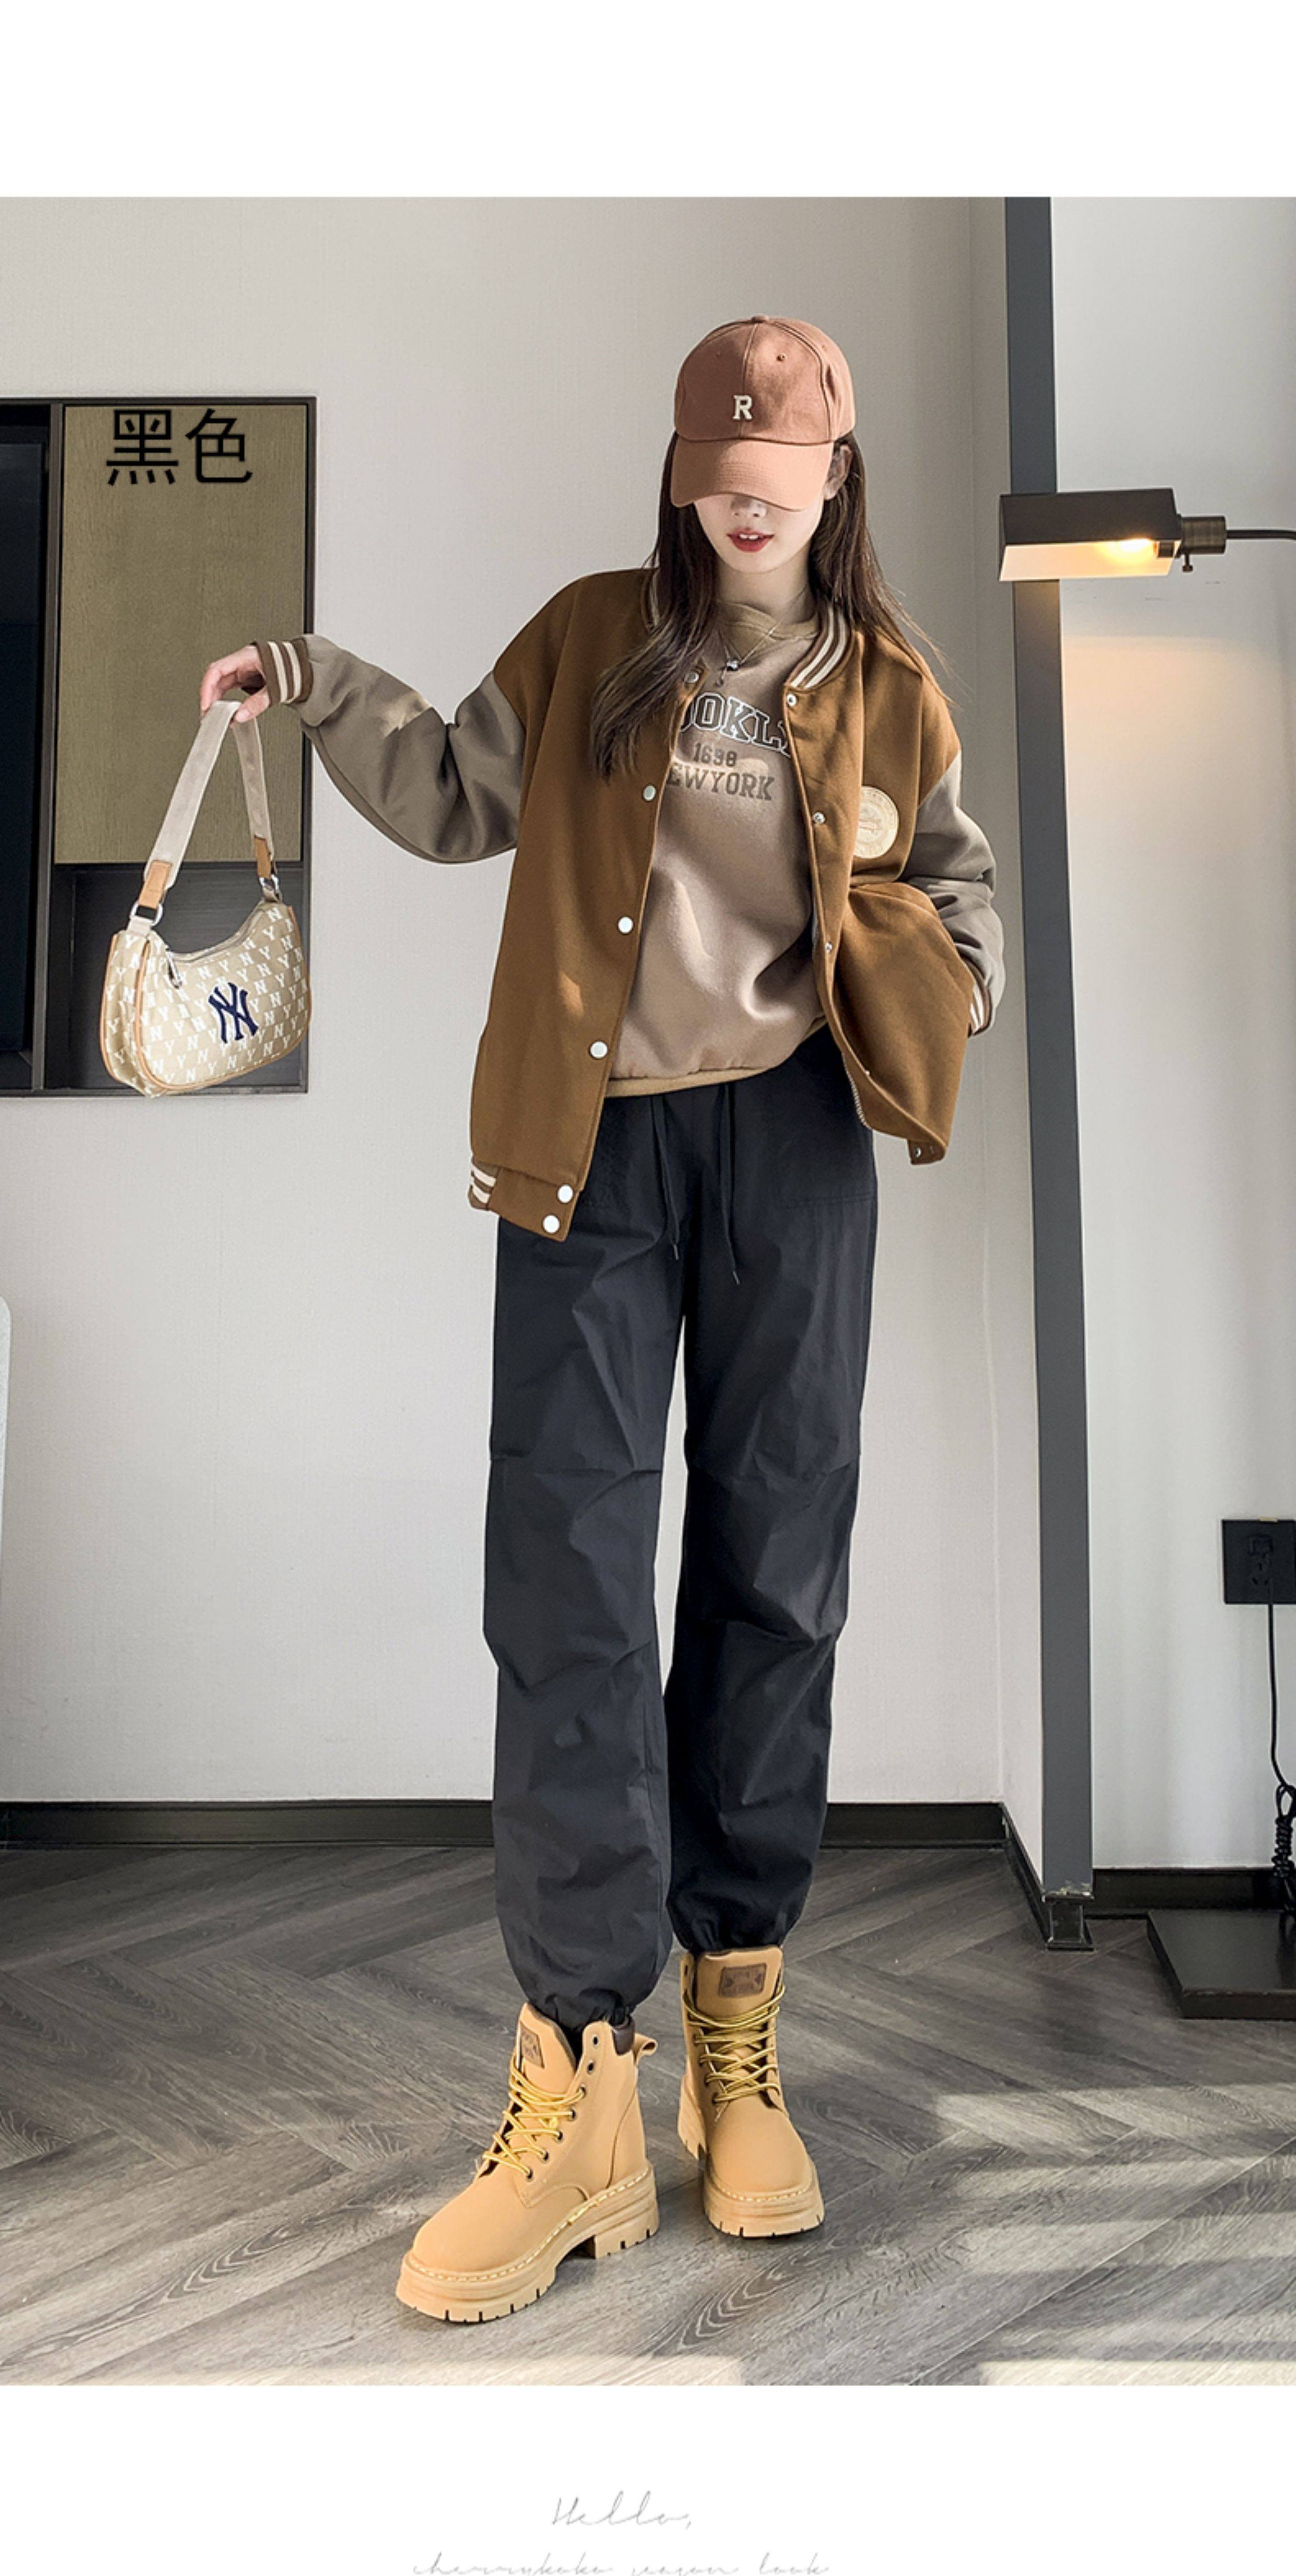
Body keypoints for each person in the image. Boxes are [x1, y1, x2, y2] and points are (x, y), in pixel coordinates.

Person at [201, 314, 1006, 2328]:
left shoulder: (890, 683)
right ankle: (581, 2078)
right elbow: (451, 793)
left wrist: (950, 986)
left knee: (776, 1565)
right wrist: (312, 679)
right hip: (593, 1153)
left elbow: (963, 889)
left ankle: (737, 2029)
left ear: (833, 481)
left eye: (781, 471)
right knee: (564, 1576)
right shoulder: (591, 641)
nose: (747, 497)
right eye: (718, 468)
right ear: (681, 471)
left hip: (797, 1147)